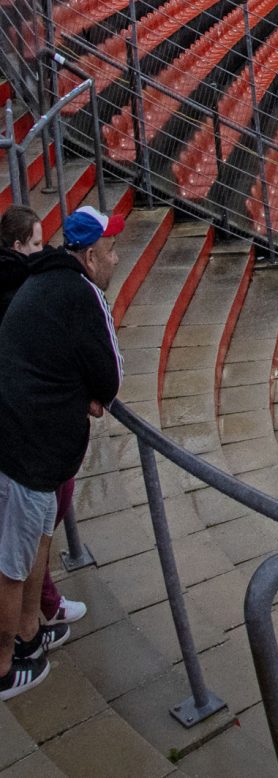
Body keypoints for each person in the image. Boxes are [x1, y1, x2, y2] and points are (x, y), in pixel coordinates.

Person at [0, 206, 123, 701]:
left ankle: (30, 635)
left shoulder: (46, 281)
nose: (118, 257)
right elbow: (111, 377)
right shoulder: (82, 293)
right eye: (112, 249)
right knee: (11, 563)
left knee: (32, 545)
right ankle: (4, 669)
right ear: (90, 257)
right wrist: (91, 392)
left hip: (26, 443)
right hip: (27, 448)